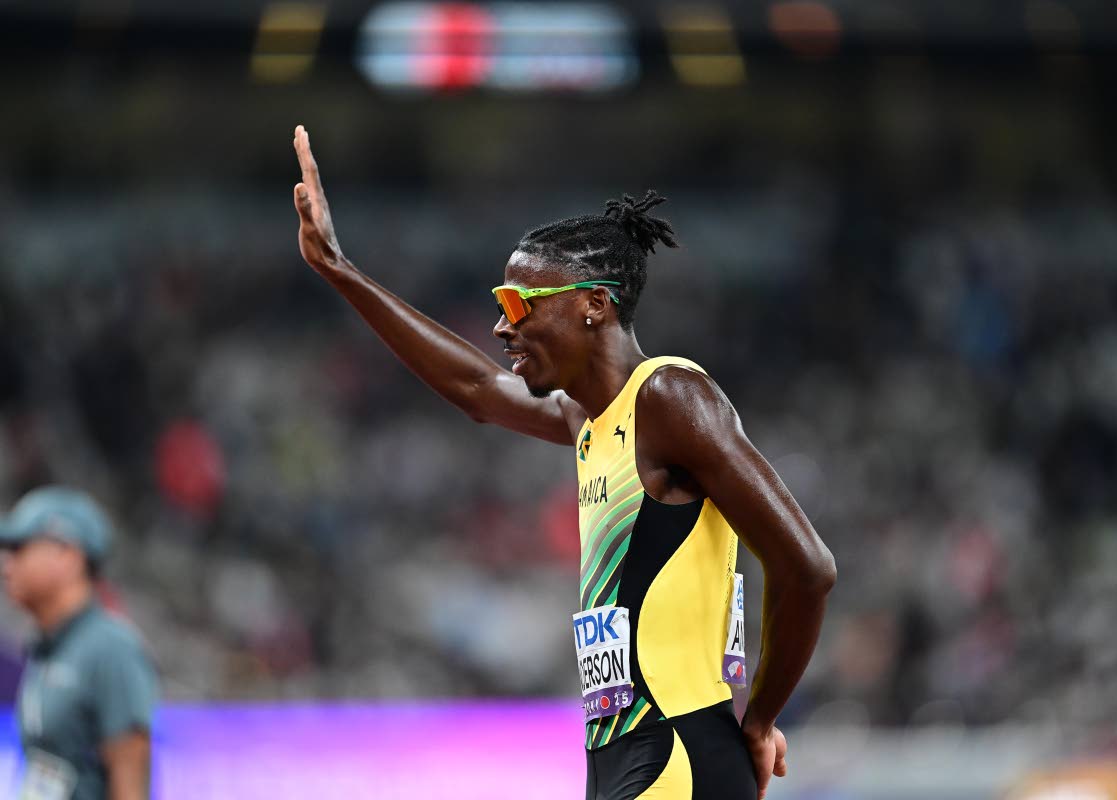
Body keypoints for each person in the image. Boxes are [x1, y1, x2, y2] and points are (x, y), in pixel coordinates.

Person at [292, 124, 836, 800]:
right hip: (618, 755)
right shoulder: (590, 419)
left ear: (594, 306)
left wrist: (760, 719)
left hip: (678, 753)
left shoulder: (669, 396)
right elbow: (476, 389)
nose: (501, 326)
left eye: (520, 304)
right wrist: (341, 272)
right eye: (499, 305)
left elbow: (807, 570)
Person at [0, 487, 157, 800]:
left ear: (68, 556)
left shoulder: (111, 649)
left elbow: (130, 789)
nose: (7, 564)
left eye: (20, 548)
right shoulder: (49, 646)